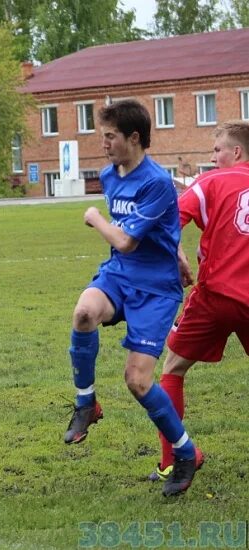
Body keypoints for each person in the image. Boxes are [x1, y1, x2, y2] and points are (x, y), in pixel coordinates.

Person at [61, 100, 200, 497]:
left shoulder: (156, 181)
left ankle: (185, 453)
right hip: (120, 276)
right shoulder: (109, 175)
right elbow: (152, 229)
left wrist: (95, 218)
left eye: (109, 137)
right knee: (84, 313)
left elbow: (125, 238)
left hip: (155, 289)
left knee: (137, 381)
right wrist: (178, 252)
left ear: (133, 138)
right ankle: (86, 403)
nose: (102, 143)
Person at [148, 121, 249, 482]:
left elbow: (168, 221)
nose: (212, 156)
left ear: (236, 152)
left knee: (172, 369)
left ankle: (173, 460)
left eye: (217, 149)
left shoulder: (212, 182)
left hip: (217, 297)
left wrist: (177, 255)